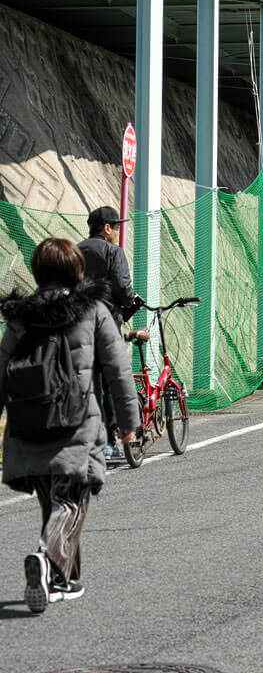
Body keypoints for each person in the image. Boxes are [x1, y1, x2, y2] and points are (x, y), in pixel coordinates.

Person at [1, 238, 141, 613]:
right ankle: (46, 559)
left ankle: (61, 580)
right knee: (72, 504)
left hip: (29, 423)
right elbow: (117, 369)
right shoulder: (92, 310)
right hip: (76, 424)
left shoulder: (20, 316)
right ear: (76, 270)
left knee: (53, 503)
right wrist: (129, 421)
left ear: (37, 272)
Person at [77, 207, 146, 460]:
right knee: (112, 382)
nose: (117, 231)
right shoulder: (113, 252)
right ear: (107, 228)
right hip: (105, 326)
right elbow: (122, 287)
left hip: (79, 326)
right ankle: (109, 443)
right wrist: (130, 300)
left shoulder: (75, 251)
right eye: (115, 227)